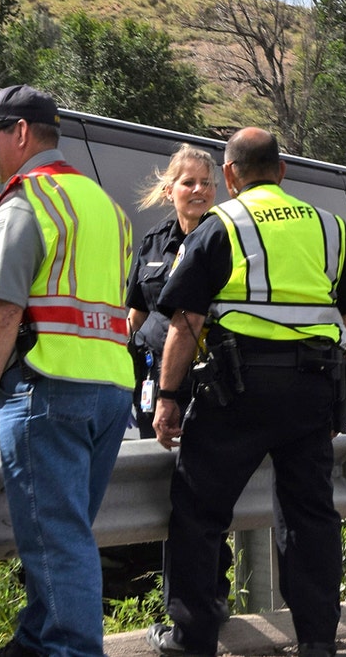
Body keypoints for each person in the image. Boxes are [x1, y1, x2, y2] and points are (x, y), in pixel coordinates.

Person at [147, 127, 346, 657]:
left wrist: (169, 397)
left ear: (229, 175)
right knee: (310, 516)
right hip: (313, 387)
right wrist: (339, 388)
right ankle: (316, 641)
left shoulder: (223, 224)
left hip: (237, 390)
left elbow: (185, 322)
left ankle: (190, 639)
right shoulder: (327, 226)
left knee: (199, 511)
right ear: (282, 171)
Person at [0, 84, 135, 657]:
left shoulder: (23, 202)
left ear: (21, 134)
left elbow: (4, 309)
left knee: (56, 540)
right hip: (109, 389)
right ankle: (37, 642)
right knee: (63, 532)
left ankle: (69, 650)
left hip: (46, 388)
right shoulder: (106, 207)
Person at [125, 143, 235, 618]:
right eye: (188, 182)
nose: (198, 191)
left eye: (206, 183)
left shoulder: (222, 236)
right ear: (169, 189)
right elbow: (134, 313)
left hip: (203, 386)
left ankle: (211, 592)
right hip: (153, 385)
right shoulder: (153, 241)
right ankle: (170, 598)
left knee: (199, 491)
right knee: (164, 492)